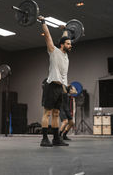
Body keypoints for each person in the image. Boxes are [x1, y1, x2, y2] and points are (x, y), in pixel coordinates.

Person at [39, 16, 72, 147]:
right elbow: (47, 35)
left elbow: (64, 38)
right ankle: (44, 139)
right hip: (51, 86)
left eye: (70, 44)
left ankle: (56, 139)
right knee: (47, 113)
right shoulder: (53, 51)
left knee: (57, 113)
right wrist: (43, 22)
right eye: (68, 44)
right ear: (62, 45)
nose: (70, 45)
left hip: (60, 88)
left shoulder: (66, 56)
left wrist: (65, 30)